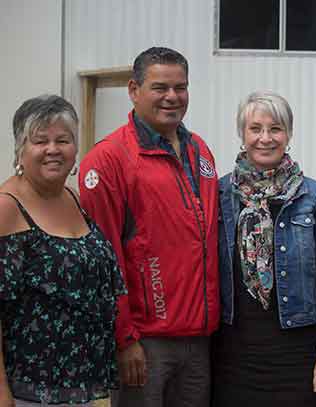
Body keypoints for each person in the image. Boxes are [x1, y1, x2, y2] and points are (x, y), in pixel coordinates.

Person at [78, 47, 219, 407]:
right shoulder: (108, 160)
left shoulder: (199, 150)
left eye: (180, 87)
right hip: (145, 345)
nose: (172, 97)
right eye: (160, 87)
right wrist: (124, 339)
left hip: (199, 340)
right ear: (133, 89)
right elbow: (103, 259)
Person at [212, 90, 316, 406]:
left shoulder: (315, 197)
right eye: (256, 128)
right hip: (234, 349)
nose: (265, 138)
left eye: (276, 128)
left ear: (289, 134)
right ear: (242, 134)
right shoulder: (219, 194)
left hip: (297, 350)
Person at [0, 95, 125, 407]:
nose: (53, 149)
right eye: (40, 141)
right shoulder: (7, 208)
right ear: (20, 149)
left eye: (63, 140)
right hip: (28, 390)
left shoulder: (74, 197)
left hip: (82, 385)